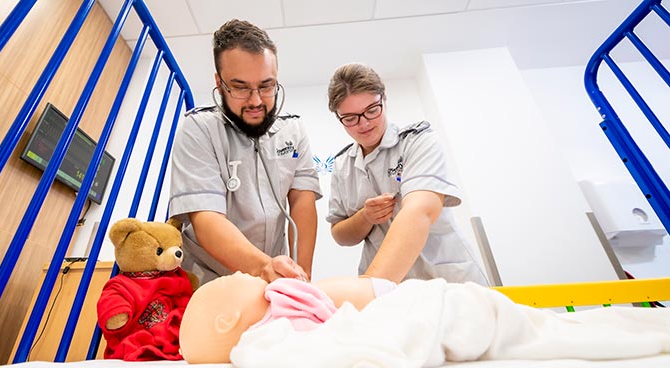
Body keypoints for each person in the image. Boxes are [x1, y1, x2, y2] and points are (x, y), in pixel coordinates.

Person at [179, 272, 670, 366]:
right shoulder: (267, 339)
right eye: (235, 279)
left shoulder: (285, 313)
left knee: (543, 326)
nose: (247, 273)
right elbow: (339, 351)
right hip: (425, 311)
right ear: (226, 324)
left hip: (422, 295)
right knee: (554, 332)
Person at [168, 19, 321, 286]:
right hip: (209, 279)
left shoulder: (293, 131)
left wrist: (301, 277)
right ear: (219, 82)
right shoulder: (198, 130)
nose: (256, 101)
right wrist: (264, 268)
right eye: (240, 87)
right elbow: (207, 218)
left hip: (273, 278)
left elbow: (302, 204)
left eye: (266, 86)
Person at [325, 62, 487, 285]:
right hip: (391, 286)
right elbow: (340, 234)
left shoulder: (417, 141)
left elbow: (419, 211)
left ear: (384, 99)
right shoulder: (343, 166)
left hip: (444, 277)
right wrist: (365, 218)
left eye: (372, 110)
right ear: (339, 118)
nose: (364, 124)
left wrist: (369, 286)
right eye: (351, 118)